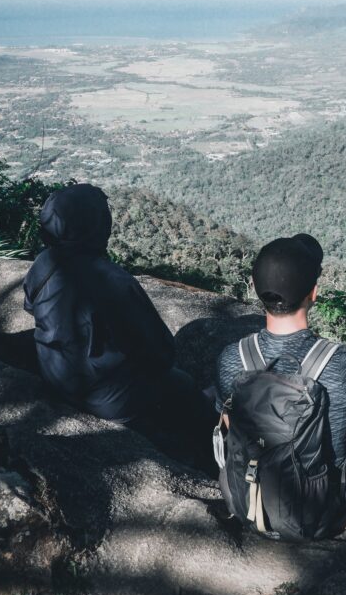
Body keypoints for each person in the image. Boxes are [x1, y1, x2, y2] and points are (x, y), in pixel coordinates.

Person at [23, 183, 214, 463]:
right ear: (97, 227)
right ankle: (217, 463)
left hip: (56, 376)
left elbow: (31, 306)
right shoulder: (113, 281)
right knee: (183, 386)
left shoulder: (42, 264)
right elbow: (161, 352)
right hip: (111, 400)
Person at [214, 234, 346, 539]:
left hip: (246, 500)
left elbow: (231, 428)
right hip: (317, 514)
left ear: (254, 288)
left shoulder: (232, 357)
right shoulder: (345, 363)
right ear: (314, 293)